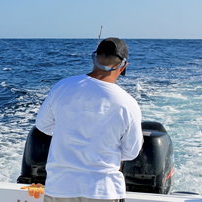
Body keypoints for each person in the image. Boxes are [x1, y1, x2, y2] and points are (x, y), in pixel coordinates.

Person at [35, 37, 143, 202]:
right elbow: (131, 152)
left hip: (59, 187)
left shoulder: (62, 87)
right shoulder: (128, 103)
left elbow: (43, 126)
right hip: (103, 190)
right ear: (123, 67)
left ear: (94, 57)